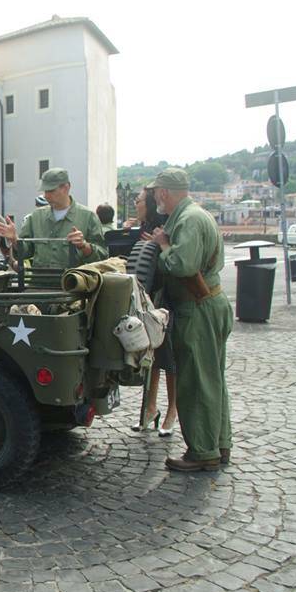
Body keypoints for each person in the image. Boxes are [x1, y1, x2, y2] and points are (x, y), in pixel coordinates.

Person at [147, 167, 232, 472]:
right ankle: (218, 444)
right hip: (208, 303)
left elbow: (182, 265)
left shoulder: (189, 219)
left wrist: (163, 245)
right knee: (212, 378)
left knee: (196, 382)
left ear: (163, 193)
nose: (156, 197)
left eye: (157, 192)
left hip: (197, 307)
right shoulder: (194, 215)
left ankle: (202, 451)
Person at [127, 187, 178, 437]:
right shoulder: (143, 227)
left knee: (170, 359)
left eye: (138, 200)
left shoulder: (162, 228)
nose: (135, 203)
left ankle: (172, 412)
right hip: (149, 300)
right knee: (153, 359)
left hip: (167, 299)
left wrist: (156, 247)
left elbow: (171, 262)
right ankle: (150, 408)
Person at [0, 168, 107, 268]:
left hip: (73, 285)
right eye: (45, 191)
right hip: (40, 285)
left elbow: (102, 256)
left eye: (51, 190)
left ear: (66, 188)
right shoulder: (36, 217)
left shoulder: (88, 217)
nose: (46, 196)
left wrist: (84, 246)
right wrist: (15, 239)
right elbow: (25, 253)